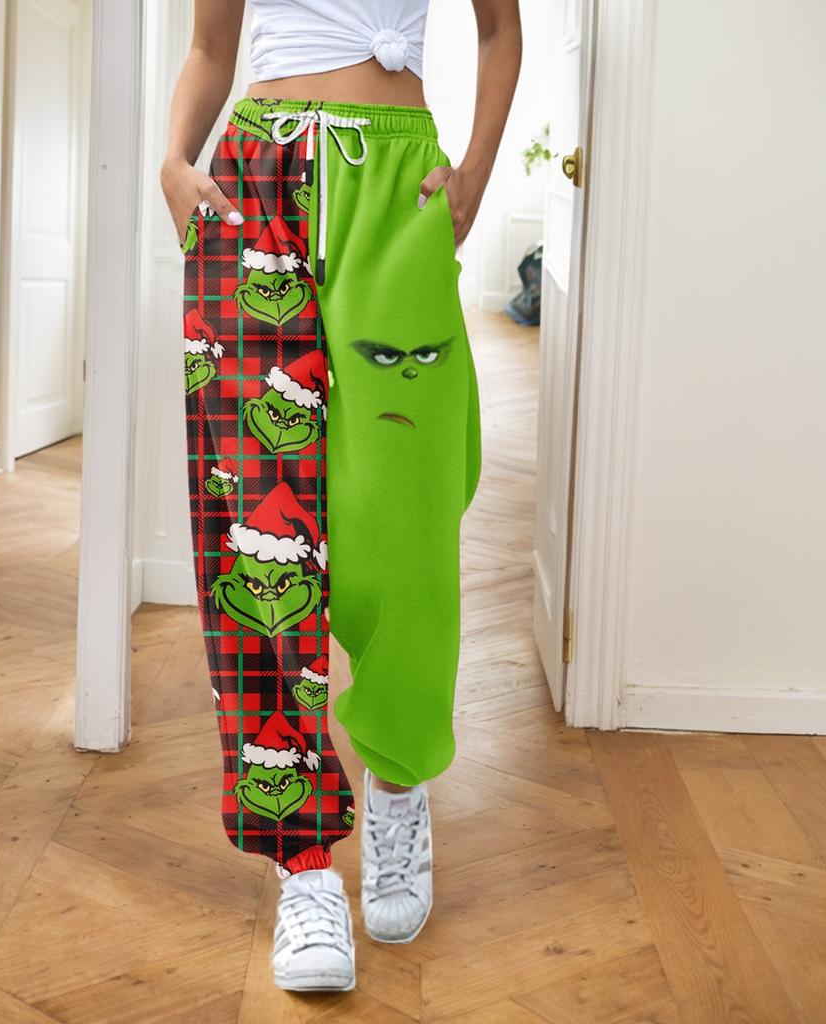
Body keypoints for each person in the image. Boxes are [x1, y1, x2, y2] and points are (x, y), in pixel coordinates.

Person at [161, 0, 521, 993]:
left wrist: (476, 170)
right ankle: (304, 863)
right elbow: (209, 45)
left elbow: (500, 29)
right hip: (253, 181)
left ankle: (397, 780)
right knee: (256, 529)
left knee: (402, 523)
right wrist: (173, 162)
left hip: (397, 184)